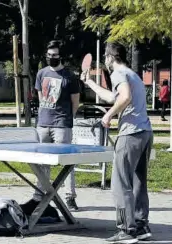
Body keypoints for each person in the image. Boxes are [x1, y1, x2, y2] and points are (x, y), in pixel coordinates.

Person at [81, 42, 153, 243]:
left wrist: (109, 116)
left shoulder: (118, 73)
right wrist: (90, 83)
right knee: (138, 182)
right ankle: (140, 226)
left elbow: (125, 98)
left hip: (130, 134)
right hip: (145, 132)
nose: (105, 60)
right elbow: (115, 97)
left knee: (120, 184)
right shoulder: (132, 74)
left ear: (110, 57)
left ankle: (126, 230)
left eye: (105, 57)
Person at [20, 40, 80, 216]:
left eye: (54, 55)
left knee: (65, 162)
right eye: (49, 55)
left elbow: (75, 102)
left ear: (61, 56)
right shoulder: (41, 73)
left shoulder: (69, 76)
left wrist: (68, 119)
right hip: (43, 124)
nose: (51, 58)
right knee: (41, 162)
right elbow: (41, 97)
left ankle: (70, 197)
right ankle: (40, 195)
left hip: (62, 124)